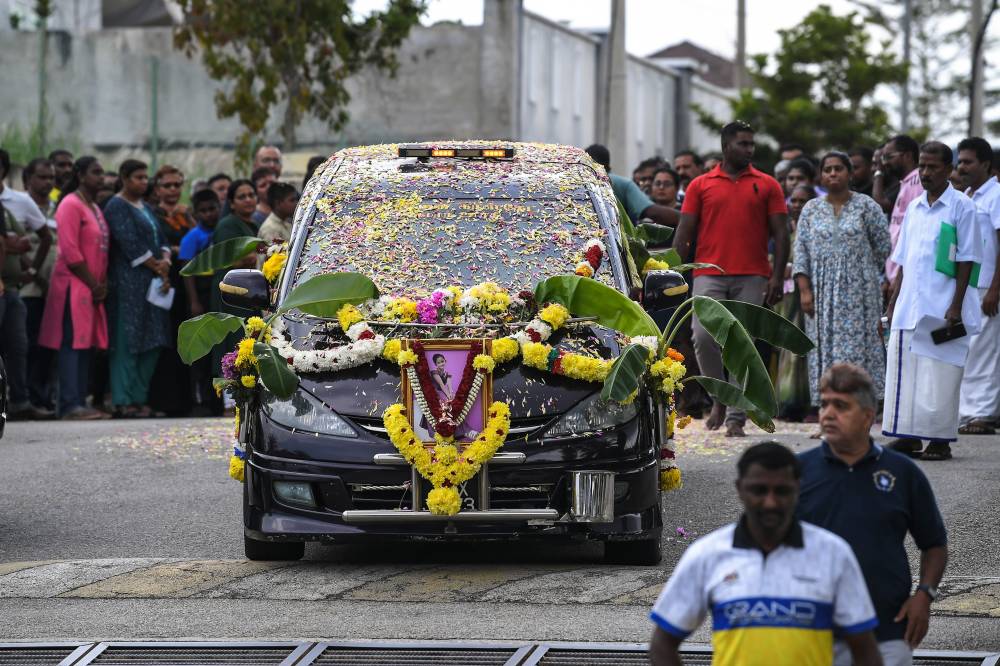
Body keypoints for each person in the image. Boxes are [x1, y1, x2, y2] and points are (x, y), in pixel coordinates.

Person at [649, 441, 882, 666]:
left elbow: (866, 651)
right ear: (740, 489)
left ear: (798, 489)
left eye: (782, 491)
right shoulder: (707, 554)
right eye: (759, 490)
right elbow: (662, 644)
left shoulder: (833, 554)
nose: (770, 503)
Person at [798, 363, 948, 666]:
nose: (827, 414)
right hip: (811, 634)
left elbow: (934, 543)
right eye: (825, 403)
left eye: (841, 406)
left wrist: (924, 595)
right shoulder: (796, 472)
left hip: (887, 632)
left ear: (868, 416)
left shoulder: (903, 473)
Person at [672, 121, 789, 437]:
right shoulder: (700, 185)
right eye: (743, 144)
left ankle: (736, 415)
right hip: (708, 272)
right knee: (703, 337)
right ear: (726, 147)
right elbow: (685, 231)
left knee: (742, 343)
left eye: (751, 144)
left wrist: (777, 276)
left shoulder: (767, 185)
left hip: (752, 275)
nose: (749, 149)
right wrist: (672, 272)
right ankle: (719, 397)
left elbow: (781, 232)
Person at [883, 142, 982, 461]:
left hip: (942, 306)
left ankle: (939, 441)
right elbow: (903, 261)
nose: (925, 173)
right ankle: (908, 436)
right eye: (922, 167)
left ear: (948, 168)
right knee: (906, 373)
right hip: (909, 305)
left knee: (939, 373)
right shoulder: (914, 207)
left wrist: (956, 306)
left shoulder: (961, 207)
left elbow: (967, 259)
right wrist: (892, 304)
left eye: (932, 167)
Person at [794, 152, 891, 413]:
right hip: (821, 291)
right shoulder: (811, 209)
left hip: (860, 291)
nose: (833, 174)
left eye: (839, 169)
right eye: (828, 169)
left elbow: (884, 246)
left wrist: (859, 269)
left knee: (860, 347)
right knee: (823, 348)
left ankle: (860, 410)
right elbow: (801, 253)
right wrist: (805, 291)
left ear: (849, 173)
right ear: (821, 175)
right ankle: (830, 411)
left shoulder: (866, 206)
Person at [38, 156, 110, 420]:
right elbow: (69, 251)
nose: (101, 178)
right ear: (80, 175)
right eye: (96, 172)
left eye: (102, 173)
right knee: (72, 342)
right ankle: (69, 404)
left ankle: (80, 400)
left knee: (86, 343)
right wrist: (93, 283)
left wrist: (100, 284)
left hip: (91, 287)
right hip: (73, 284)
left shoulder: (94, 207)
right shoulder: (70, 204)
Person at [103, 159, 172, 418]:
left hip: (154, 284)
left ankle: (140, 398)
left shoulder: (145, 207)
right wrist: (158, 267)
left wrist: (165, 262)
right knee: (127, 341)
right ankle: (123, 400)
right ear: (124, 177)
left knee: (152, 340)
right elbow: (128, 242)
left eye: (146, 177)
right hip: (129, 284)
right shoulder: (116, 206)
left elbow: (162, 239)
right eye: (138, 177)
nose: (144, 182)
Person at [0, 149, 55, 420]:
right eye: (41, 176)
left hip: (10, 288)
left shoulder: (12, 204)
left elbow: (31, 240)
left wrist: (30, 269)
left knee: (19, 345)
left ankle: (19, 401)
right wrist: (9, 245)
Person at [955, 137, 1000, 434]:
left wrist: (995, 289)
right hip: (971, 285)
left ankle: (983, 413)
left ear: (985, 164)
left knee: (986, 352)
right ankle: (967, 412)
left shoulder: (996, 195)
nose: (962, 167)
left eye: (968, 161)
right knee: (969, 350)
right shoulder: (969, 196)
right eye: (959, 161)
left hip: (988, 285)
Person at [210, 179, 260, 376]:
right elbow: (235, 260)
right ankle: (228, 400)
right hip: (229, 291)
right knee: (231, 342)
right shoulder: (227, 225)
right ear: (231, 203)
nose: (248, 200)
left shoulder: (253, 224)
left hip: (246, 292)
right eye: (242, 197)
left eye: (251, 195)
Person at [180, 189, 223, 416]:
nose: (209, 214)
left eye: (212, 209)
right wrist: (194, 301)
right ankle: (201, 400)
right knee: (201, 353)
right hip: (200, 293)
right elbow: (188, 273)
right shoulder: (192, 237)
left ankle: (218, 400)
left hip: (218, 291)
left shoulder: (222, 231)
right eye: (203, 211)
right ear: (196, 213)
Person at [21, 158, 59, 412]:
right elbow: (18, 246)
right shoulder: (20, 205)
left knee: (48, 346)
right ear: (28, 179)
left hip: (55, 290)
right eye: (42, 177)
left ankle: (43, 395)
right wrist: (36, 275)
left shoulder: (58, 207)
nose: (48, 182)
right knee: (29, 343)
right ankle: (27, 396)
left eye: (51, 178)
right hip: (30, 288)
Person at [775, 184, 816, 421]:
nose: (797, 206)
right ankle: (788, 403)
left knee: (804, 349)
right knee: (787, 349)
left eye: (803, 201)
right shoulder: (786, 230)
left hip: (807, 293)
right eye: (795, 201)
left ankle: (808, 403)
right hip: (788, 298)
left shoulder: (813, 229)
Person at [583, 144, 679, 228]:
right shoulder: (622, 183)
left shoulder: (577, 184)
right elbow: (650, 211)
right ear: (609, 165)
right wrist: (686, 218)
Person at [880, 135, 922, 282]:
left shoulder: (917, 182)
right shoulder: (906, 182)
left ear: (908, 156)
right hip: (894, 275)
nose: (884, 163)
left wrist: (898, 278)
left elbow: (914, 234)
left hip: (903, 277)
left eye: (889, 157)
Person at [257, 181, 298, 245]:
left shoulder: (287, 223)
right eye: (292, 200)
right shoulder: (270, 229)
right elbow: (274, 254)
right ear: (278, 203)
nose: (296, 204)